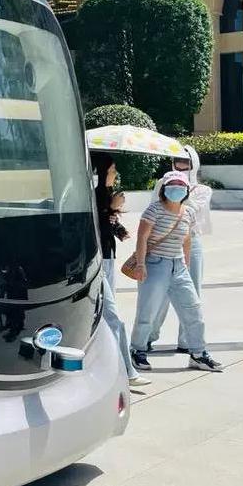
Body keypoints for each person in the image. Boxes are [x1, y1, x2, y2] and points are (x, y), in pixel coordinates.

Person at [128, 171, 223, 373]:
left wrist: (185, 263)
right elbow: (142, 237)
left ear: (187, 190)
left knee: (193, 310)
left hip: (178, 266)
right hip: (155, 265)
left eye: (181, 185)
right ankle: (137, 350)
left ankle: (198, 354)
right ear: (164, 189)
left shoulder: (187, 212)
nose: (176, 189)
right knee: (148, 312)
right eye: (172, 185)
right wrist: (141, 265)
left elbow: (187, 238)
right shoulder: (154, 210)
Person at [146, 145, 212, 354]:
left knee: (192, 292)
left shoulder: (202, 190)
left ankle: (187, 341)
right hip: (164, 243)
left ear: (194, 164)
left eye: (185, 162)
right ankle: (148, 337)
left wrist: (179, 191)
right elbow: (154, 209)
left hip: (191, 241)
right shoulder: (162, 183)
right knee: (159, 292)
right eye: (177, 161)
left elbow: (192, 211)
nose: (181, 166)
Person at [92, 153, 149, 387]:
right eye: (112, 170)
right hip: (97, 261)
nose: (115, 174)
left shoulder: (106, 195)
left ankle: (112, 366)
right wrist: (110, 210)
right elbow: (93, 229)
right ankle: (127, 371)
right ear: (101, 171)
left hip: (107, 259)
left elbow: (108, 227)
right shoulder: (93, 196)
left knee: (107, 315)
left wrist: (116, 218)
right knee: (112, 317)